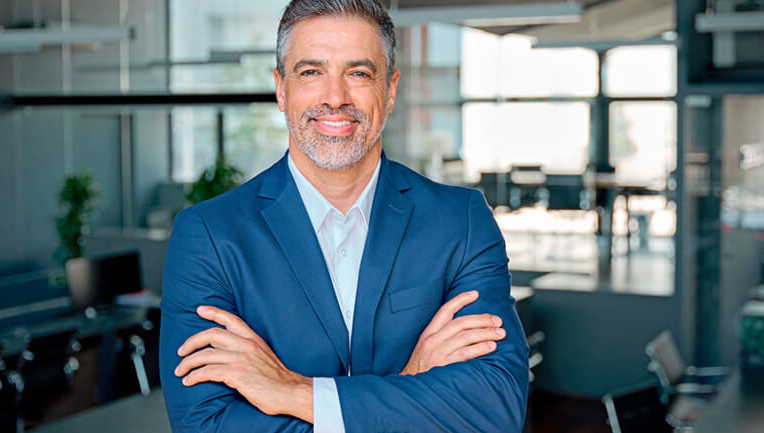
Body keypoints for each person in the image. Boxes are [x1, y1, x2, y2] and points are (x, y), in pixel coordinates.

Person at [159, 0, 529, 431]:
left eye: (358, 73)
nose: (335, 98)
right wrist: (409, 381)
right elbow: (207, 424)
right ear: (281, 88)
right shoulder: (208, 236)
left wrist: (293, 392)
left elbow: (495, 409)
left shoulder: (461, 221)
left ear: (390, 91)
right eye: (311, 72)